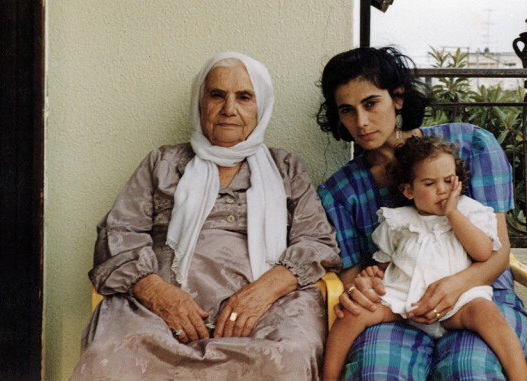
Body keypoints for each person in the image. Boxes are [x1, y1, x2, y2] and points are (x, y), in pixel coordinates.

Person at [72, 52, 341, 380]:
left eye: (244, 97)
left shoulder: (286, 169)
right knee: (110, 354)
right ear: (200, 103)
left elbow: (317, 242)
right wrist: (157, 293)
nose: (229, 109)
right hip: (159, 312)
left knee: (288, 355)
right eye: (217, 95)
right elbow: (118, 231)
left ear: (262, 106)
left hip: (265, 311)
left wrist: (264, 291)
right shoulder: (164, 163)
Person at [316, 46, 527, 380]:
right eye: (347, 110)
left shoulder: (471, 146)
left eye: (371, 103)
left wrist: (456, 285)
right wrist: (365, 282)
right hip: (400, 301)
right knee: (376, 369)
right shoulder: (340, 192)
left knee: (471, 368)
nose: (360, 122)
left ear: (398, 98)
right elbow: (354, 276)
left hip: (481, 294)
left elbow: (498, 252)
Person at [323, 136, 527, 381]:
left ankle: (520, 377)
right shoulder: (396, 221)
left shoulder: (469, 211)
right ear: (408, 190)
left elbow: (483, 253)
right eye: (430, 183)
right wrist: (372, 276)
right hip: (403, 300)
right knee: (352, 315)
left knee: (489, 315)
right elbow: (384, 263)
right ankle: (329, 376)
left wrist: (452, 213)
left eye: (448, 181)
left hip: (459, 302)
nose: (442, 190)